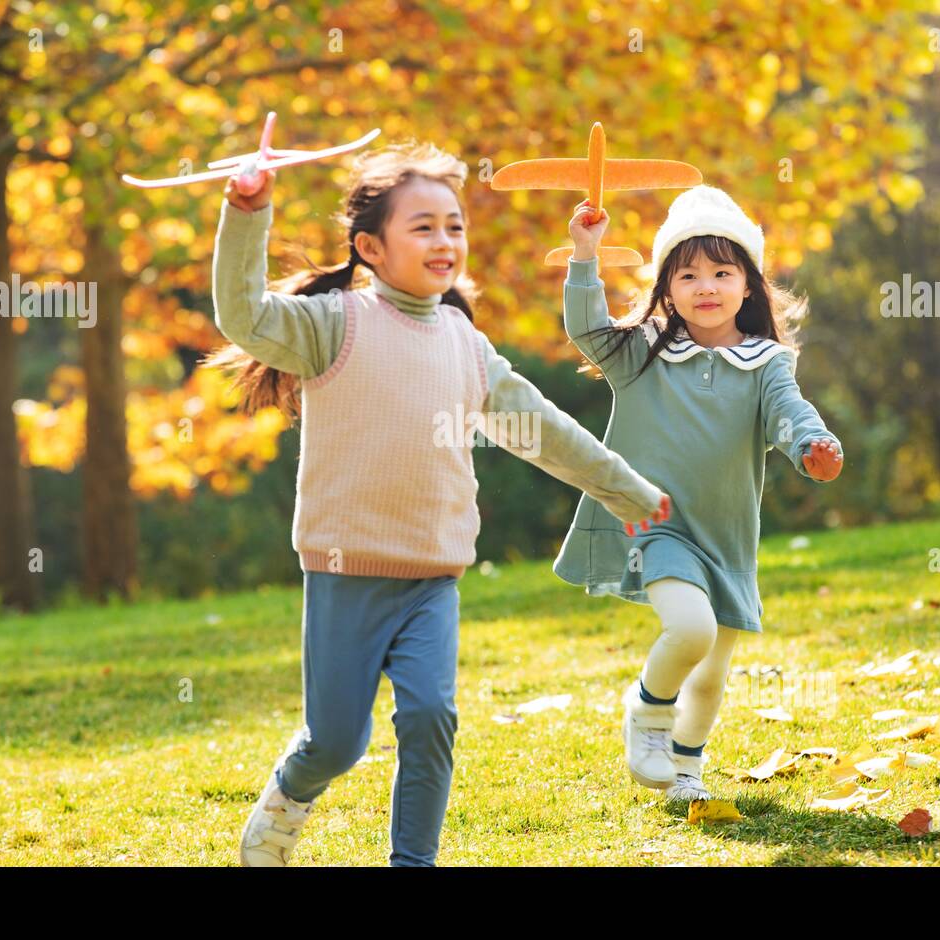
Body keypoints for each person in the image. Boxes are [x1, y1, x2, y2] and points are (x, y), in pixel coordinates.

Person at [207, 140, 670, 865]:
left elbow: (541, 428)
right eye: (422, 226)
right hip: (344, 573)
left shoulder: (465, 343)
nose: (445, 240)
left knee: (430, 716)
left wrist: (627, 491)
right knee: (336, 741)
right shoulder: (333, 324)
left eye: (454, 225)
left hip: (432, 577)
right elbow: (242, 314)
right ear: (371, 246)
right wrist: (246, 211)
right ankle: (288, 797)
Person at [552, 185, 843, 804]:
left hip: (727, 537)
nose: (705, 286)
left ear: (748, 285)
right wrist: (585, 253)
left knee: (710, 677)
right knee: (689, 630)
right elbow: (584, 327)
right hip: (653, 523)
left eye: (721, 271)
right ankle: (648, 713)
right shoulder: (641, 353)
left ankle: (686, 768)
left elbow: (790, 414)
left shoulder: (766, 362)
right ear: (666, 288)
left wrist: (813, 447)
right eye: (687, 275)